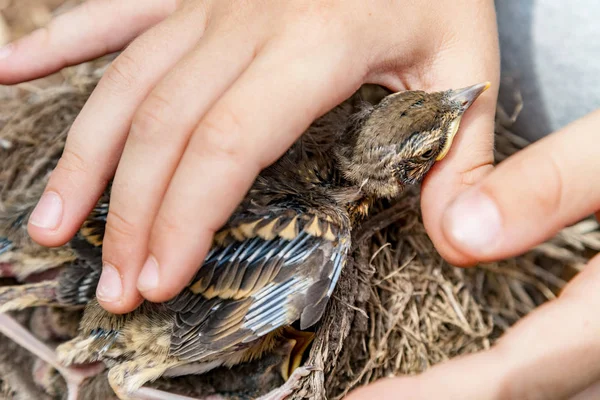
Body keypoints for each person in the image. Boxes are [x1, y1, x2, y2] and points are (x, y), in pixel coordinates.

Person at [0, 1, 598, 398]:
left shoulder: (314, 219)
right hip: (144, 311)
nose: (469, 97)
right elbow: (224, 321)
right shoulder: (317, 234)